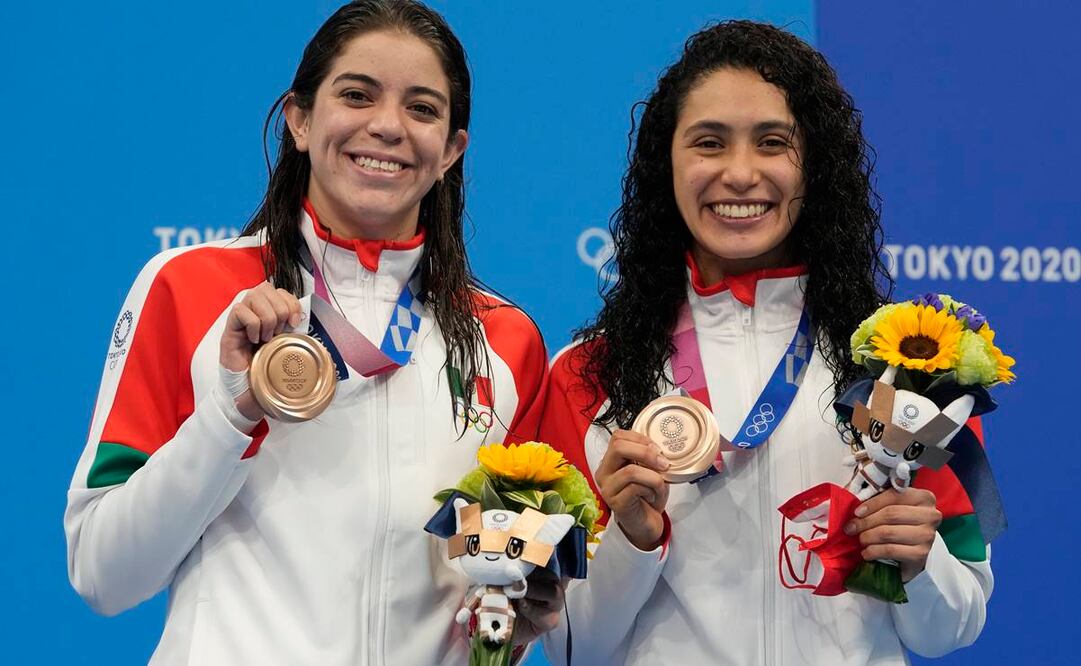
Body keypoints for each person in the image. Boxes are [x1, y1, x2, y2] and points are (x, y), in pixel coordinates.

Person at [64, 2, 562, 663]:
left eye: (421, 108)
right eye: (356, 95)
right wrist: (233, 412)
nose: (387, 126)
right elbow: (103, 573)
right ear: (299, 119)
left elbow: (487, 598)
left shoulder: (503, 341)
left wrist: (513, 626)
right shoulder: (191, 288)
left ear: (450, 150)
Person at [539, 20, 992, 665]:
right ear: (667, 163)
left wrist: (922, 564)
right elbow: (569, 647)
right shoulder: (589, 374)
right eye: (709, 143)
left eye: (773, 142)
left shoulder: (909, 369)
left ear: (816, 164)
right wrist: (632, 542)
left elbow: (954, 626)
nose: (740, 173)